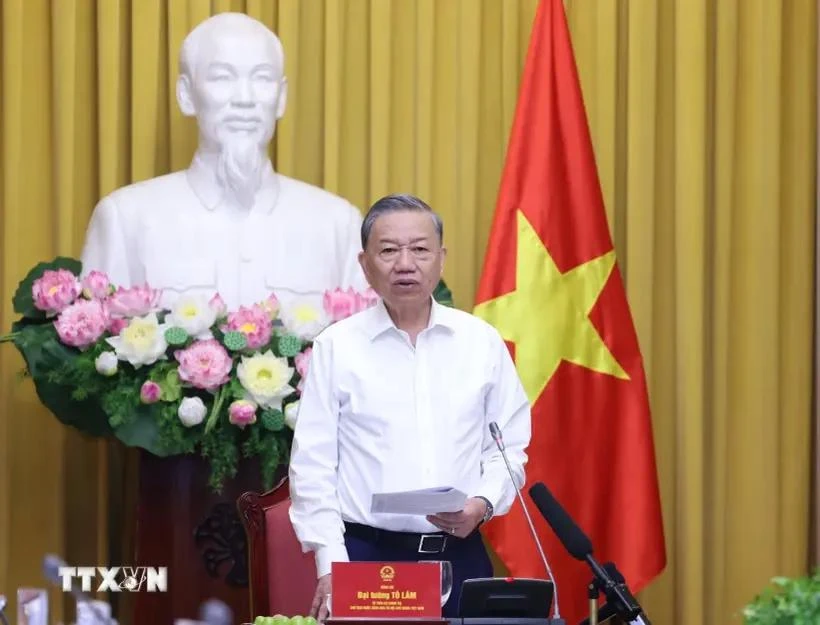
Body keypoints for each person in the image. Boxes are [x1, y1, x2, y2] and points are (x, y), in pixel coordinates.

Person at [288, 194, 532, 620]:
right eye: (388, 250)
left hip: (460, 556)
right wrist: (330, 564)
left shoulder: (480, 343)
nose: (405, 263)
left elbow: (508, 448)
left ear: (441, 258)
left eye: (420, 249)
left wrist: (483, 503)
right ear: (365, 265)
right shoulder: (337, 347)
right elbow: (312, 466)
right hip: (368, 559)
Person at [80, 12, 367, 311]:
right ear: (186, 94)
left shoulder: (337, 224)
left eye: (262, 78)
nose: (244, 98)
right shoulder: (126, 219)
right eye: (222, 77)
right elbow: (91, 350)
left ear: (281, 97)